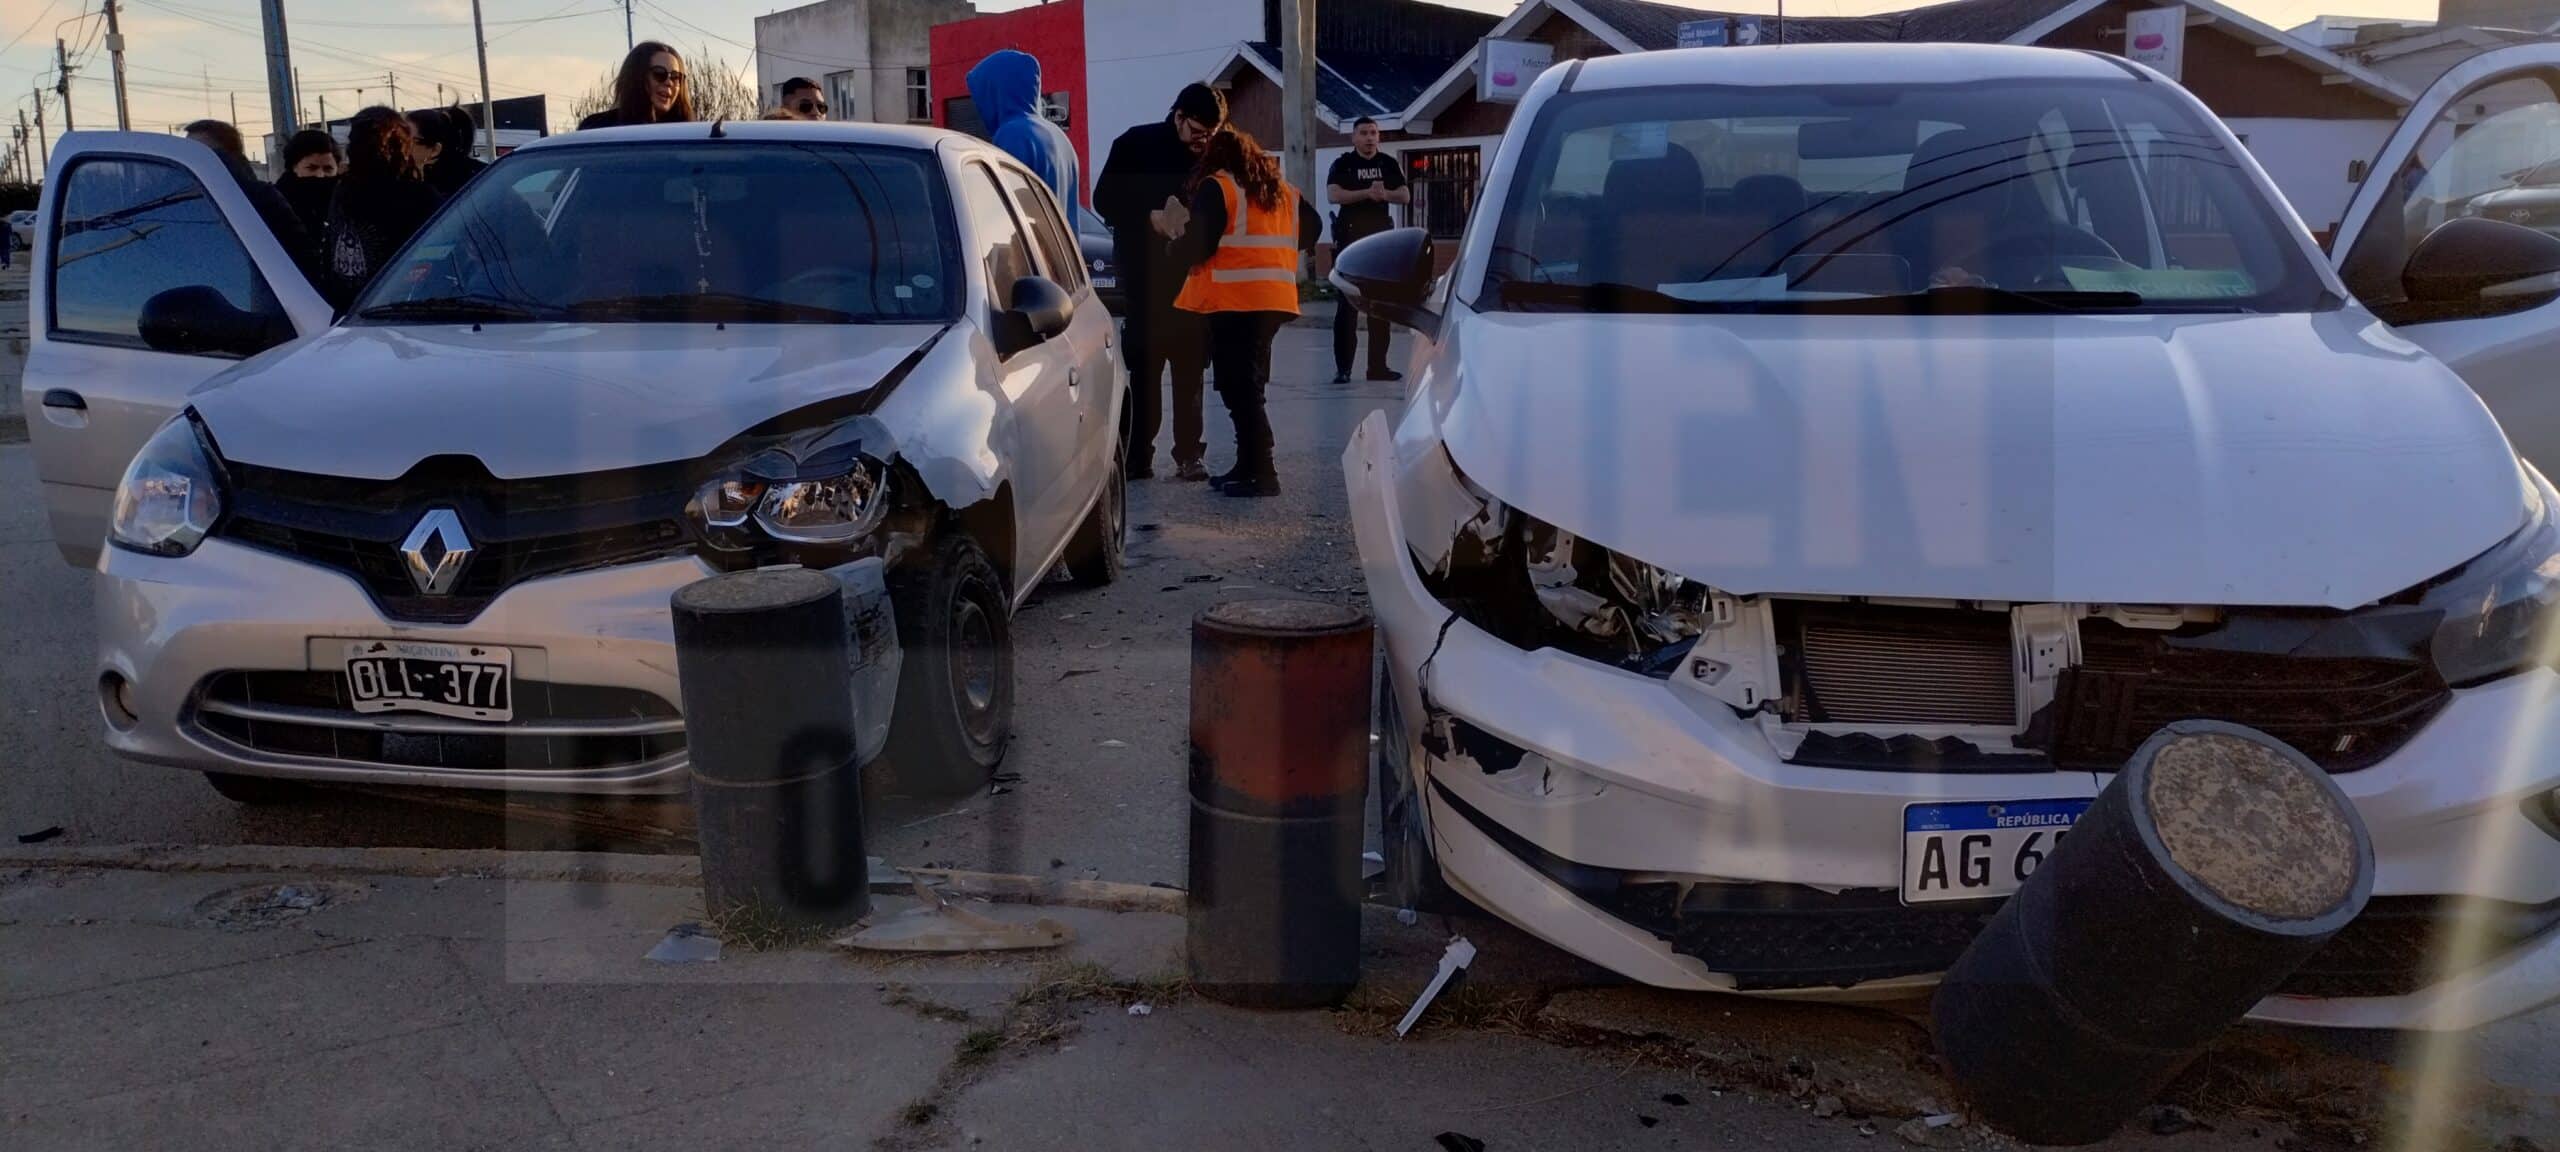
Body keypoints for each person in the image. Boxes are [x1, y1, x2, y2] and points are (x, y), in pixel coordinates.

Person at [1165, 127, 1321, 499]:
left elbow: (1199, 244)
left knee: (1240, 388)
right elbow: (1312, 230)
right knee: (1248, 385)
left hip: (1235, 300)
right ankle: (1248, 465)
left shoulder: (1218, 187)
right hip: (1273, 299)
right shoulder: (1281, 191)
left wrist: (1173, 248)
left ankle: (1263, 472)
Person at [1094, 82, 1224, 481]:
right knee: (1145, 374)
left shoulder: (1215, 156)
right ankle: (1138, 458)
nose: (1202, 142)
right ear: (1179, 117)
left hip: (1193, 281)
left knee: (1190, 375)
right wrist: (1147, 215)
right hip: (1144, 280)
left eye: (1211, 135)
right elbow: (1104, 199)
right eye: (1197, 132)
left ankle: (1189, 454)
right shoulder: (1136, 143)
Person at [322, 106, 445, 309]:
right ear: (402, 144)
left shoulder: (342, 191)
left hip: (348, 314)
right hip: (403, 312)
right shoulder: (418, 197)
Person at [1324, 116, 1409, 384]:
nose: (1370, 137)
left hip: (1380, 245)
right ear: (1354, 138)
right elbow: (1333, 195)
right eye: (1364, 133)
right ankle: (1344, 369)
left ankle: (1377, 368)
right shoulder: (1343, 164)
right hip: (1350, 244)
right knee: (1347, 309)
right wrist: (1365, 193)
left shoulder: (1388, 164)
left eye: (1373, 133)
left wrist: (1385, 195)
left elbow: (1405, 195)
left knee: (1379, 308)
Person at [183, 119, 318, 284]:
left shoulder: (258, 197)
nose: (191, 160)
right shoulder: (183, 199)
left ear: (224, 157)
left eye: (199, 153)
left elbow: (301, 253)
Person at [966, 49, 1088, 231]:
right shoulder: (1058, 136)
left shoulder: (1013, 135)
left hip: (1031, 255)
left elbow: (1003, 214)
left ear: (996, 91)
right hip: (1062, 255)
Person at [578, 41, 694, 129]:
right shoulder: (598, 128)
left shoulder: (690, 136)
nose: (669, 83)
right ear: (637, 77)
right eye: (659, 74)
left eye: (676, 77)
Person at [272, 129, 342, 272]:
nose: (320, 175)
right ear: (294, 167)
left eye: (328, 169)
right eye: (312, 168)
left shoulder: (344, 203)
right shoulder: (275, 205)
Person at [407, 107, 487, 198]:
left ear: (435, 150)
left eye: (408, 141)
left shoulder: (474, 182)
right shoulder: (399, 179)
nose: (399, 146)